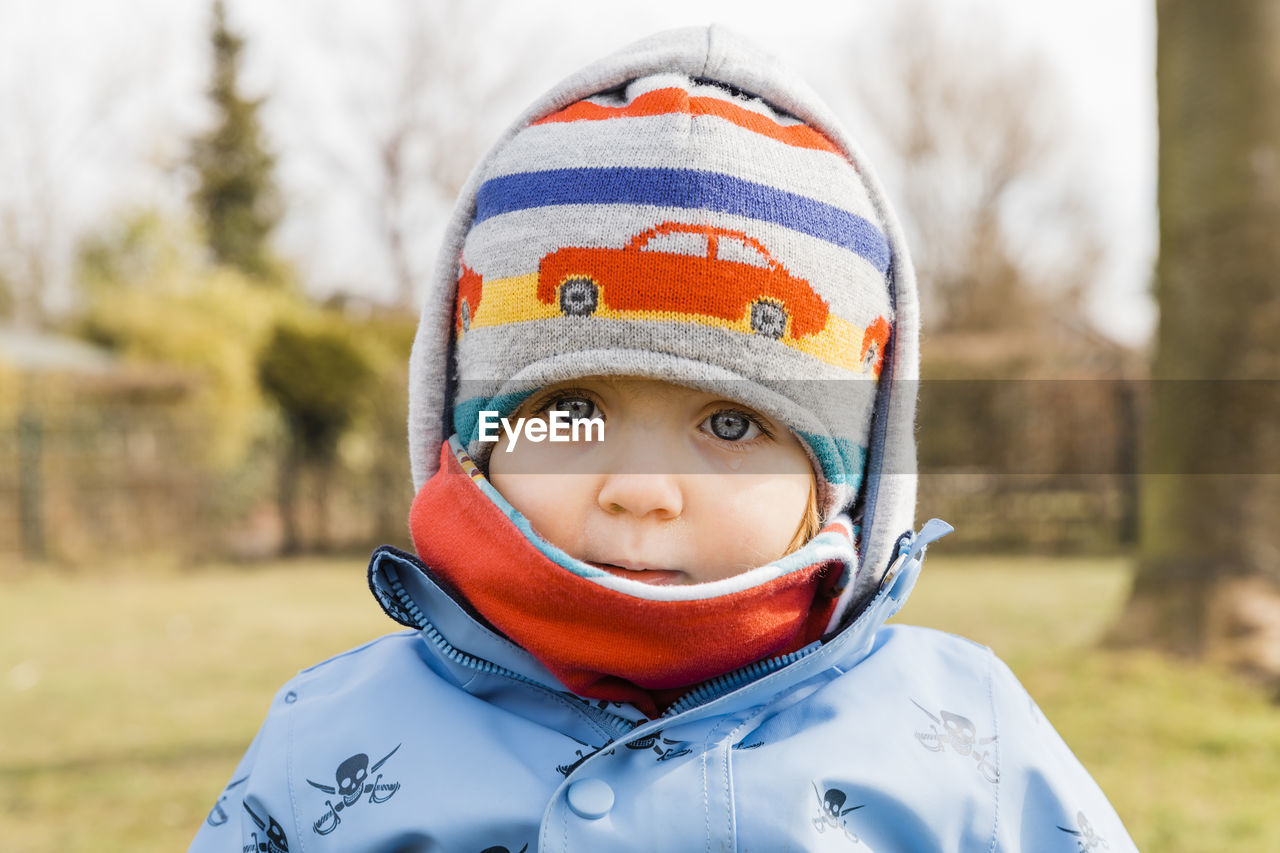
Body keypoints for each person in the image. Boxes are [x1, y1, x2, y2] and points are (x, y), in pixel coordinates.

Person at [190, 25, 1136, 852]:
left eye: (731, 424)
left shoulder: (965, 734)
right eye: (572, 412)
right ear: (469, 439)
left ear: (842, 480)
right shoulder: (331, 740)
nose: (641, 489)